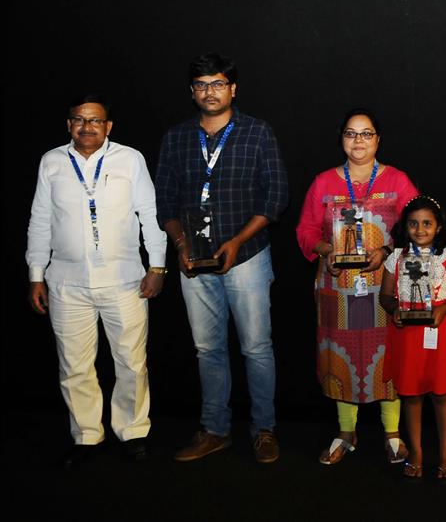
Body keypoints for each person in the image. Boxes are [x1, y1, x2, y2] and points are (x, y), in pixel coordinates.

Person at [155, 52, 289, 463]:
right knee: (207, 349)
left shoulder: (257, 132)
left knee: (256, 348)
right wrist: (180, 246)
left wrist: (237, 241)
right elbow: (165, 202)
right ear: (191, 92)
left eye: (217, 84)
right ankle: (215, 430)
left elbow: (276, 196)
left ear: (232, 89)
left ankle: (264, 430)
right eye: (201, 85)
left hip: (246, 256)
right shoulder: (176, 138)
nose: (209, 92)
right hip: (194, 263)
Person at [26, 94, 167, 465]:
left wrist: (158, 266)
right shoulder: (52, 162)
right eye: (78, 120)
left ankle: (133, 432)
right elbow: (40, 219)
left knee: (132, 363)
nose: (86, 127)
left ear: (108, 127)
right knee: (74, 366)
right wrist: (35, 275)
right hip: (66, 283)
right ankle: (87, 436)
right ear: (68, 124)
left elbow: (150, 213)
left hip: (124, 281)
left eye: (95, 121)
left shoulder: (129, 158)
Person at [295, 108, 418, 466]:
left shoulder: (397, 181)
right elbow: (305, 231)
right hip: (337, 287)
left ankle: (392, 434)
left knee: (388, 354)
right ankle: (345, 432)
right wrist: (325, 249)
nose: (359, 141)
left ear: (378, 139)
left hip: (386, 286)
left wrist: (386, 249)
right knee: (341, 356)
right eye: (351, 133)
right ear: (342, 140)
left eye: (366, 134)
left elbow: (419, 224)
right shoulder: (323, 183)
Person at [379, 195, 446, 481]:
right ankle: (416, 451)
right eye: (414, 223)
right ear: (405, 227)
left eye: (427, 223)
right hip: (407, 333)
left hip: (439, 332)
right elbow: (385, 295)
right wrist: (394, 310)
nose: (420, 229)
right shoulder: (396, 258)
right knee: (412, 396)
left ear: (438, 227)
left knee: (441, 393)